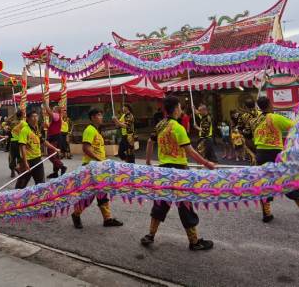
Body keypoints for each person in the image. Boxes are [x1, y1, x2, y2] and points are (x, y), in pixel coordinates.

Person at [140, 96, 216, 251]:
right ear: (175, 108)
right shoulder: (178, 127)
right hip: (179, 171)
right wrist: (207, 163)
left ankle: (150, 235)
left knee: (160, 203)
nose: (181, 109)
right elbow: (190, 151)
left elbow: (149, 142)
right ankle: (194, 242)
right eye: (180, 107)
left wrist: (148, 161)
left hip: (163, 170)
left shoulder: (160, 125)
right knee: (185, 205)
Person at [252, 96, 299, 223]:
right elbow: (294, 126)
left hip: (260, 153)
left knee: (265, 182)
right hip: (275, 153)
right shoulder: (274, 117)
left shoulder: (256, 120)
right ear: (269, 105)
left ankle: (266, 213)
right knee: (288, 180)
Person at [71, 108, 123, 229]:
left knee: (102, 192)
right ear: (93, 117)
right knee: (88, 195)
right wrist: (100, 160)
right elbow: (86, 148)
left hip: (99, 167)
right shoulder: (90, 130)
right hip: (90, 167)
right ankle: (76, 214)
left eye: (101, 115)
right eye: (99, 115)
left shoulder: (97, 131)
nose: (101, 117)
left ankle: (107, 219)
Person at [15, 111, 60, 189]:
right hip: (27, 161)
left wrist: (54, 148)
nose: (35, 118)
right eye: (33, 116)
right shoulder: (25, 130)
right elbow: (22, 147)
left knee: (41, 184)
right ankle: (15, 199)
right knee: (21, 185)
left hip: (37, 160)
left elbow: (43, 141)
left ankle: (41, 199)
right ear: (28, 119)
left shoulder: (36, 129)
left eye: (36, 116)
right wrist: (25, 162)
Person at [42, 102, 68, 178]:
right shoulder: (56, 118)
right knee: (55, 155)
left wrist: (45, 103)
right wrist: (47, 126)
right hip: (55, 137)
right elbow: (52, 128)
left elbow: (49, 112)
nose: (52, 110)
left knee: (51, 154)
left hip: (55, 138)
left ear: (57, 110)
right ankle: (55, 173)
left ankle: (62, 166)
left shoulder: (57, 115)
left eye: (53, 109)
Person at [9, 111, 27, 178]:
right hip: (20, 142)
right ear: (22, 115)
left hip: (12, 141)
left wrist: (13, 114)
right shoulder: (24, 123)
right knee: (20, 156)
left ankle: (12, 171)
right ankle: (19, 168)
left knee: (12, 157)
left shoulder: (12, 123)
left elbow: (6, 120)